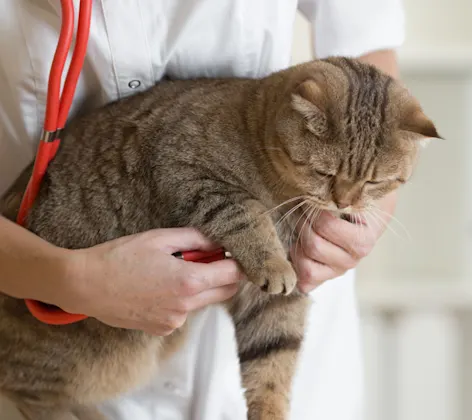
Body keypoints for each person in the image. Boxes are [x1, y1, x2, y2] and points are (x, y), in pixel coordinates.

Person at [0, 1, 404, 419]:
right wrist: (71, 279)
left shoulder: (307, 171)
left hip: (283, 335)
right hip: (54, 316)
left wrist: (369, 212)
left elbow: (369, 41)